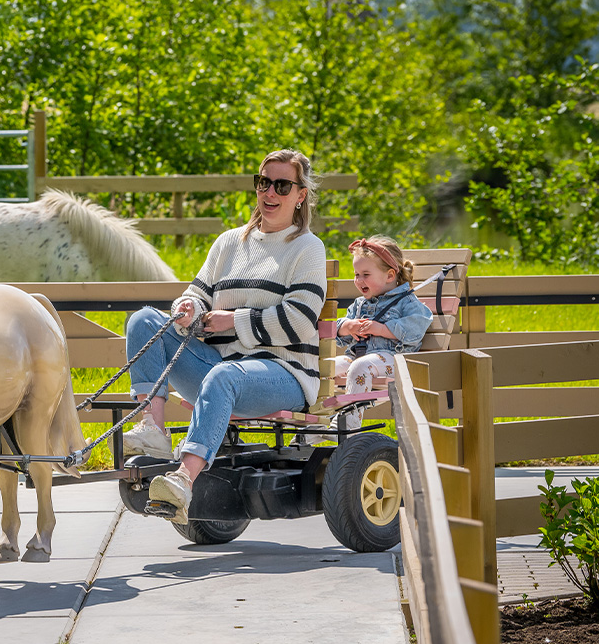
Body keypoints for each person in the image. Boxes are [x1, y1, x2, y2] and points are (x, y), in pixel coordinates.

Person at [120, 149, 327, 524]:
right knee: (144, 321)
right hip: (221, 367)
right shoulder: (229, 242)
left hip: (284, 373)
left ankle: (183, 480)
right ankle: (153, 429)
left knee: (223, 376)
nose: (270, 192)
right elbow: (197, 294)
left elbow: (300, 320)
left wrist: (233, 321)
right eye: (263, 182)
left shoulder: (307, 248)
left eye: (282, 185)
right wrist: (189, 309)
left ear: (301, 195)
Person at [331, 236, 434, 429]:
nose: (359, 280)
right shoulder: (359, 304)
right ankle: (317, 423)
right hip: (358, 358)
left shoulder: (406, 302)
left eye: (365, 274)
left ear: (389, 276)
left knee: (360, 366)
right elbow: (338, 334)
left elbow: (418, 325)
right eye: (356, 274)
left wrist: (382, 329)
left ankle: (348, 424)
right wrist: (347, 326)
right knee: (327, 367)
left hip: (393, 361)